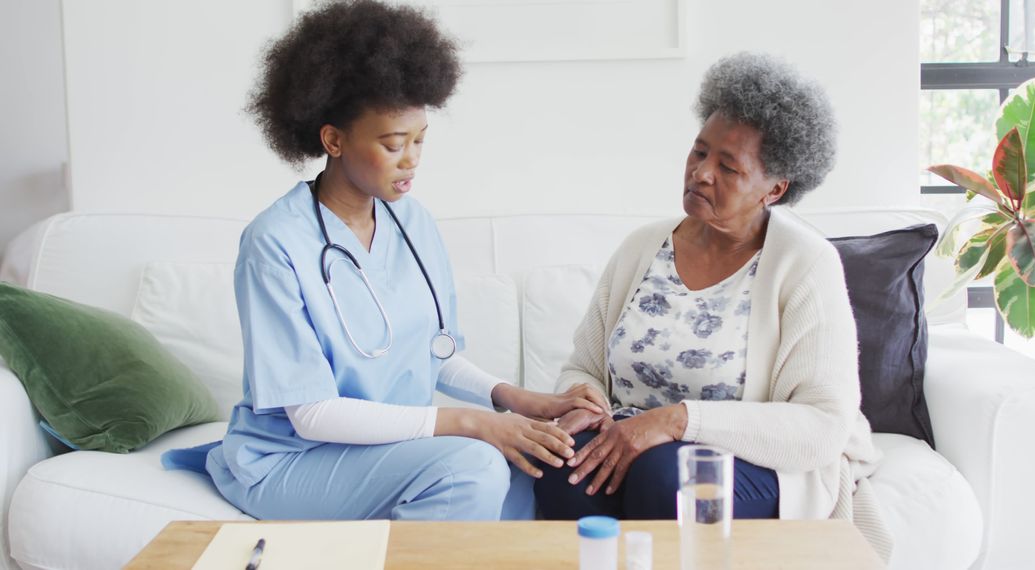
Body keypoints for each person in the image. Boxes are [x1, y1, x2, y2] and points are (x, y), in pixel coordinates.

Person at [163, 0, 607, 522]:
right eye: (394, 143)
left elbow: (434, 352)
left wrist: (518, 400)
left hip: (380, 452)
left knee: (536, 474)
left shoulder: (412, 222)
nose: (412, 159)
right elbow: (311, 413)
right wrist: (471, 423)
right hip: (291, 459)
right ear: (334, 140)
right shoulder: (274, 243)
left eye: (420, 140)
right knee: (475, 467)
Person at [532, 52, 891, 561]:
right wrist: (586, 406)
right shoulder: (643, 247)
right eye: (699, 152)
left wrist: (676, 421)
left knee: (671, 479)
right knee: (559, 468)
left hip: (752, 462)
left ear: (775, 188)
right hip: (632, 440)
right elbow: (583, 365)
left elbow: (821, 428)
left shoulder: (806, 264)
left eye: (728, 166)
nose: (701, 173)